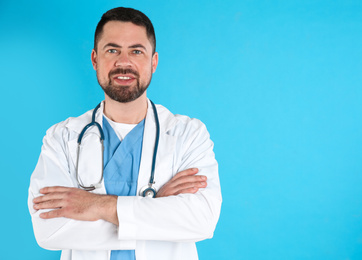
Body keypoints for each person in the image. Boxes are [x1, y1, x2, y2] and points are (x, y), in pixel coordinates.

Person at [27, 7, 222, 260]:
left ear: (153, 62)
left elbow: (202, 220)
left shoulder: (188, 135)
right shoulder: (61, 138)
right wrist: (153, 208)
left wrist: (96, 205)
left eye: (136, 51)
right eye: (112, 50)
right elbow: (48, 229)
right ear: (95, 59)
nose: (123, 62)